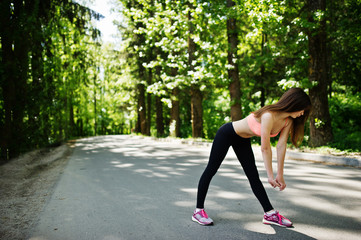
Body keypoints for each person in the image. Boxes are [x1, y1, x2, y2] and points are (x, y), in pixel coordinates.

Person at [192, 88, 312, 227]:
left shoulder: (288, 121)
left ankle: (269, 213)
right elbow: (265, 148)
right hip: (227, 134)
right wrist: (270, 176)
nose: (302, 113)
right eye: (302, 109)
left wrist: (280, 174)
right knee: (211, 169)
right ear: (294, 103)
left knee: (253, 176)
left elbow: (281, 146)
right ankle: (198, 211)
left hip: (243, 139)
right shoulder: (268, 115)